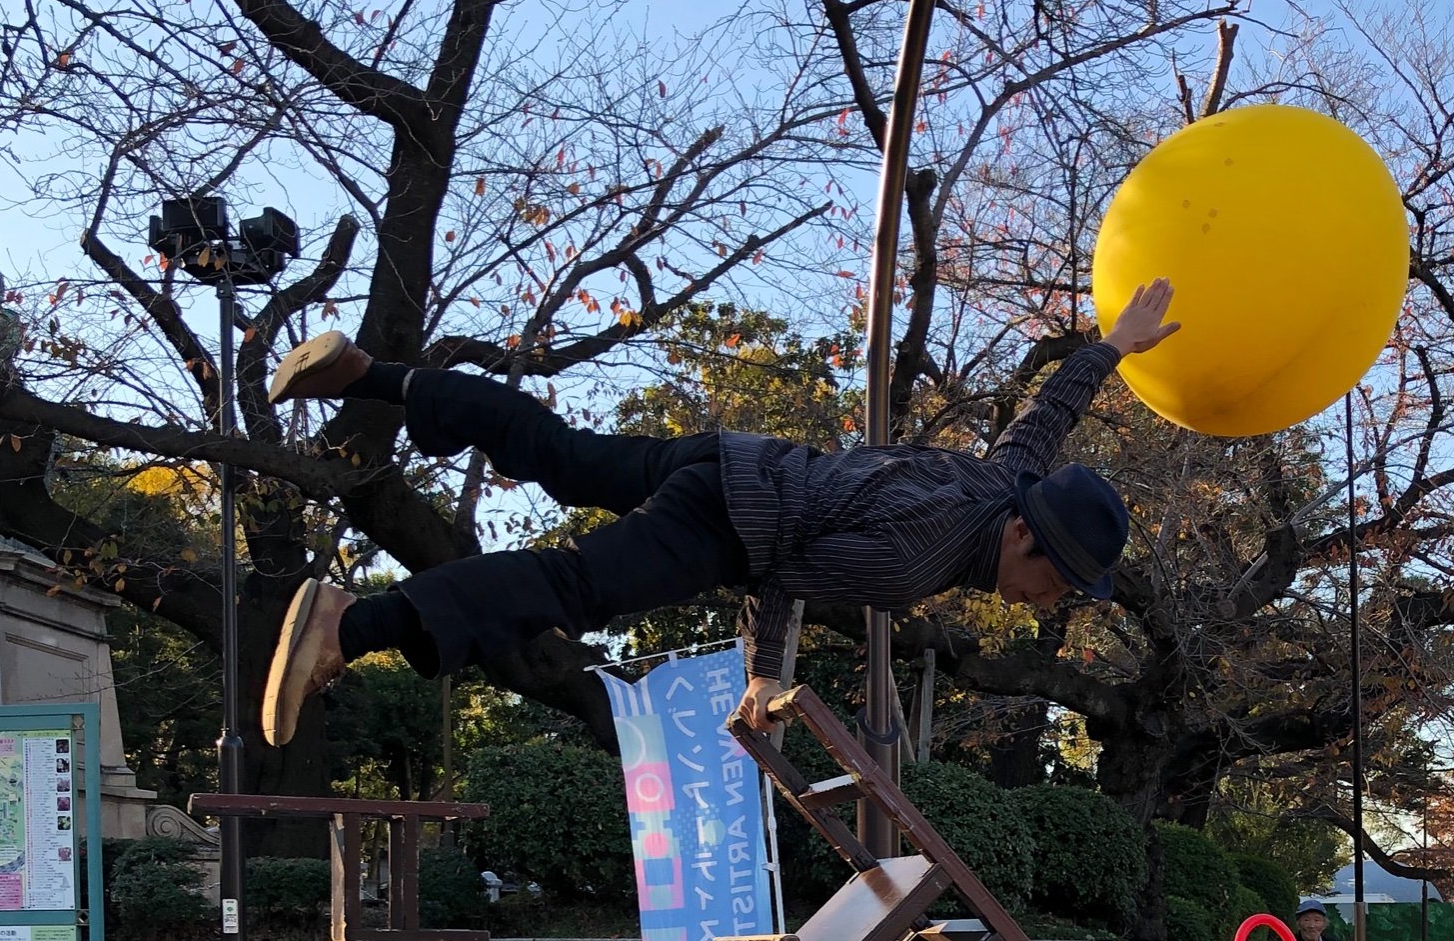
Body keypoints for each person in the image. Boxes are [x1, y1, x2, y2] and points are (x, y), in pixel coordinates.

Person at [258, 280, 1181, 748]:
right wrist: (762, 677)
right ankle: (355, 620)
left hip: (727, 459)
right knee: (571, 585)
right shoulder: (924, 555)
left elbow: (1041, 419)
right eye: (1052, 578)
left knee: (566, 455)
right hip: (731, 523)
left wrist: (1109, 346)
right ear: (1023, 535)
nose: (1044, 599)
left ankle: (375, 375)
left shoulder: (999, 483)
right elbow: (782, 574)